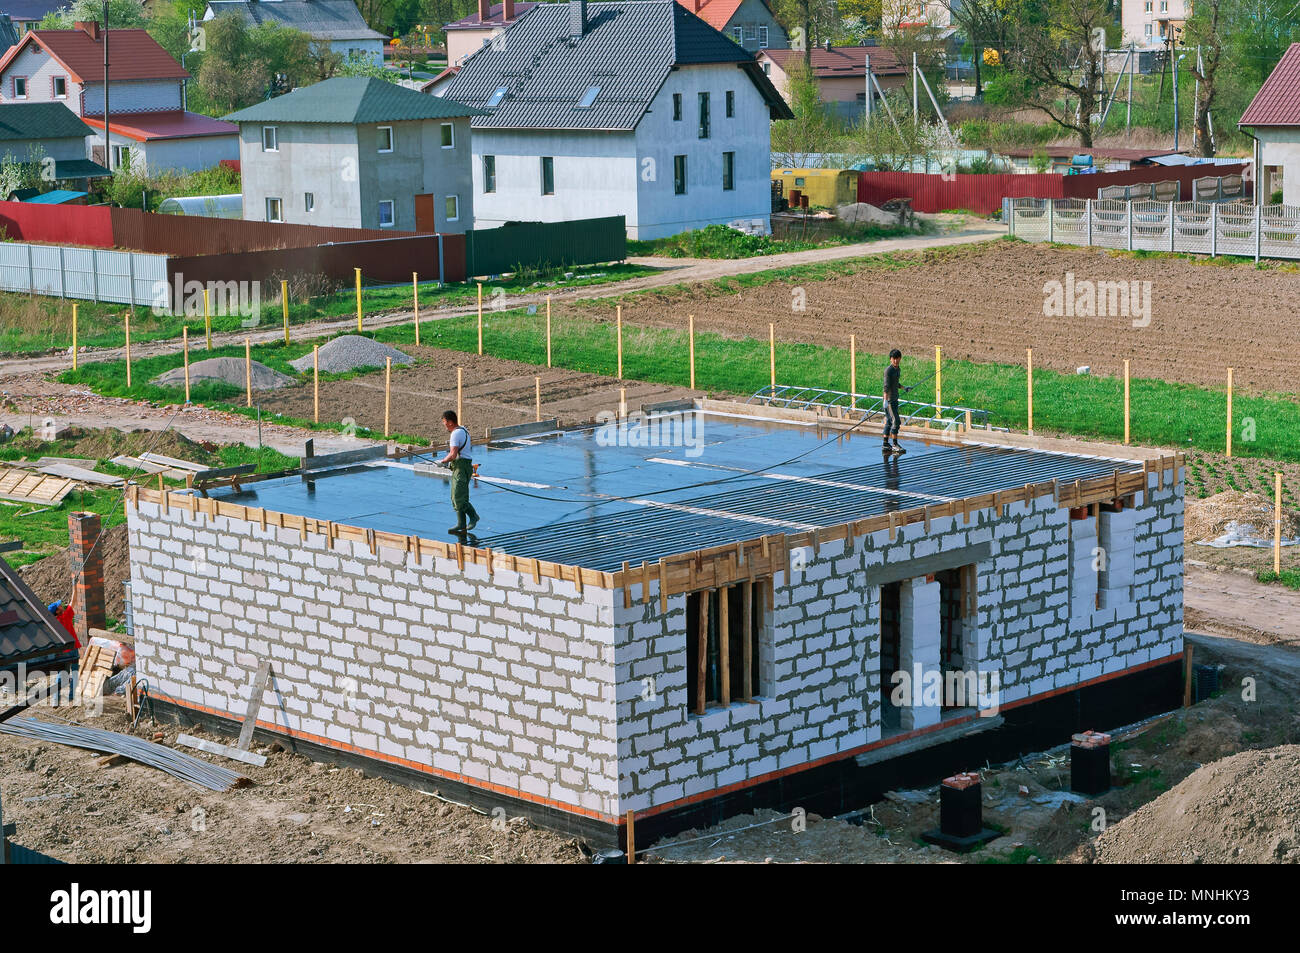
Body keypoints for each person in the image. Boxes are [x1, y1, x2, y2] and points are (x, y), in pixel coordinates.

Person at [436, 410, 479, 534]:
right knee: (458, 495)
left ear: (450, 422)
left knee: (458, 497)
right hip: (463, 466)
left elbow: (453, 454)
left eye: (444, 423)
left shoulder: (455, 434)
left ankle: (473, 516)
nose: (444, 426)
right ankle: (461, 523)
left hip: (461, 467)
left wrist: (443, 461)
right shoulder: (463, 430)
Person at [882, 349, 912, 455]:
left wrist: (904, 388)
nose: (895, 361)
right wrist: (885, 400)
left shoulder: (898, 369)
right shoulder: (888, 371)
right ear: (890, 359)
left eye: (897, 359)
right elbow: (886, 386)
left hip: (894, 399)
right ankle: (894, 445)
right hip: (889, 400)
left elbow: (896, 383)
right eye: (893, 359)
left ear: (900, 359)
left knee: (890, 421)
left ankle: (885, 444)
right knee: (896, 421)